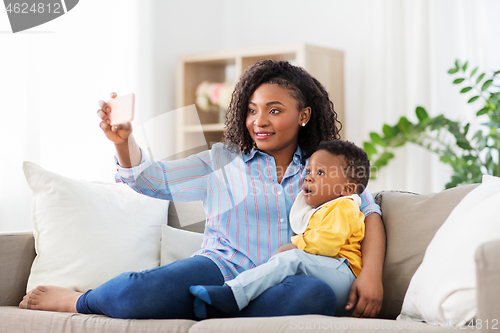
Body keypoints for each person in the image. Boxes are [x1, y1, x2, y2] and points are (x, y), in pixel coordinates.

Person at [19, 59, 385, 319]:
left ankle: (213, 308)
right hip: (220, 269)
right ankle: (78, 301)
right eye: (253, 110)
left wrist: (371, 276)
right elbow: (151, 179)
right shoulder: (222, 160)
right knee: (137, 294)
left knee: (315, 295)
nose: (259, 121)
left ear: (303, 115)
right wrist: (122, 143)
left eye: (274, 111)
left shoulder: (324, 165)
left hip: (286, 280)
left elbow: (368, 213)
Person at [189, 139, 370, 319]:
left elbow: (328, 242)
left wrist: (294, 245)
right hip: (327, 272)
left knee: (292, 259)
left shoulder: (345, 207)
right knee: (287, 271)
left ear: (347, 189)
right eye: (308, 171)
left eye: (320, 172)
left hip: (344, 275)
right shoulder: (321, 208)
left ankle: (232, 293)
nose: (308, 177)